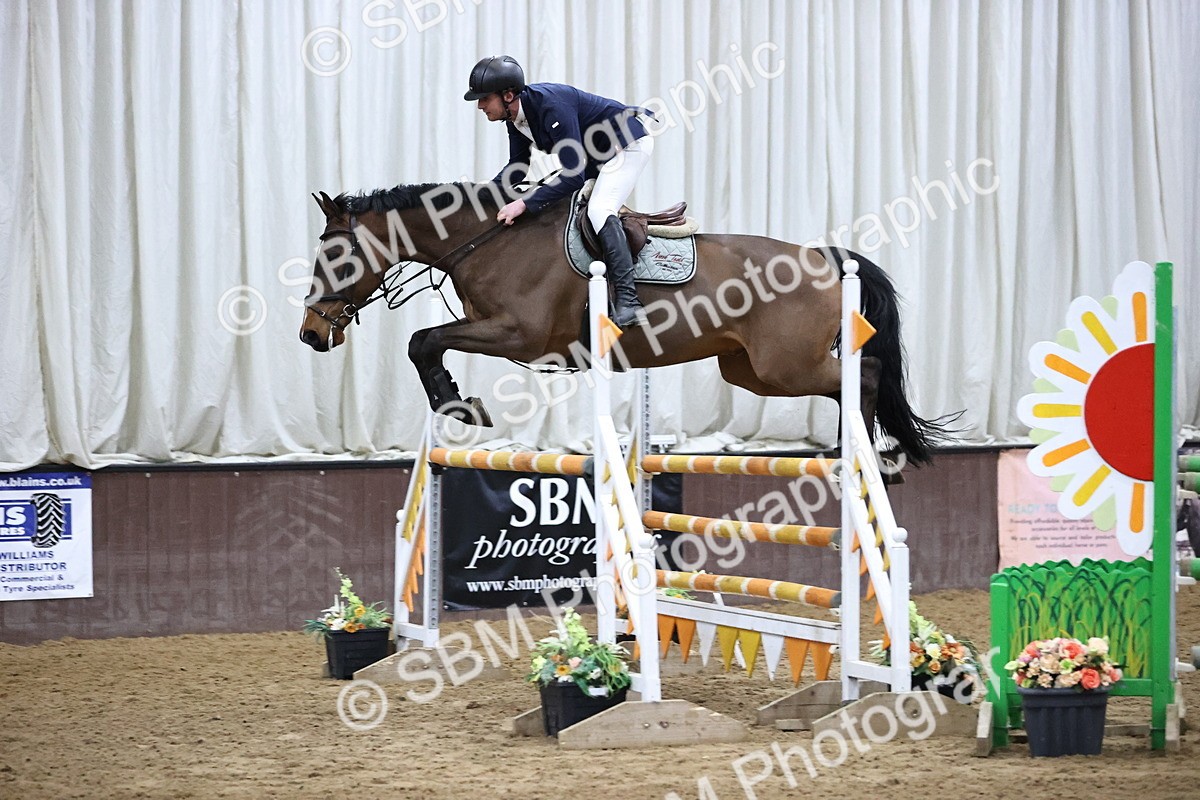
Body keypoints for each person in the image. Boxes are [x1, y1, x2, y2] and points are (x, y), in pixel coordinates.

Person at [464, 55, 654, 328]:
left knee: (600, 210)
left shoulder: (551, 107)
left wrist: (523, 204)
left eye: (484, 98)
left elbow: (574, 175)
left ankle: (629, 301)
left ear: (507, 96)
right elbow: (518, 167)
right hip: (596, 155)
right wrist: (481, 196)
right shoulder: (513, 118)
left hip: (627, 144)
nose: (480, 105)